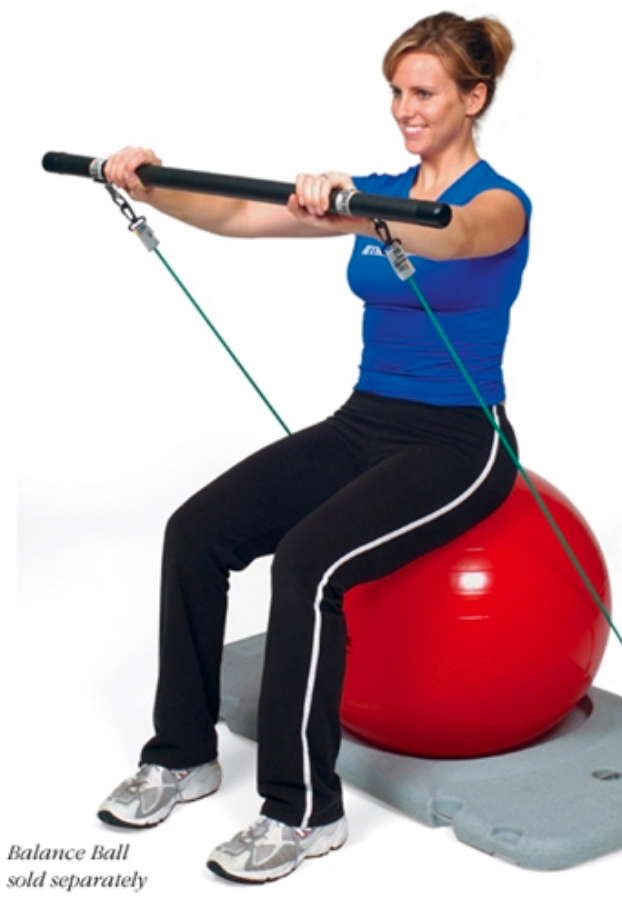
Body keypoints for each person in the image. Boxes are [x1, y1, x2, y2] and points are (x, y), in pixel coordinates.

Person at [98, 10, 531, 885]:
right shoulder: (375, 188)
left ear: (473, 98)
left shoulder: (500, 203)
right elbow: (238, 214)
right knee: (195, 532)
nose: (405, 109)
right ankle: (181, 754)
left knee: (305, 564)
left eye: (424, 93)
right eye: (396, 92)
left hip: (461, 441)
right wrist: (148, 184)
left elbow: (452, 233)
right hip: (365, 421)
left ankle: (304, 813)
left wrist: (358, 210)